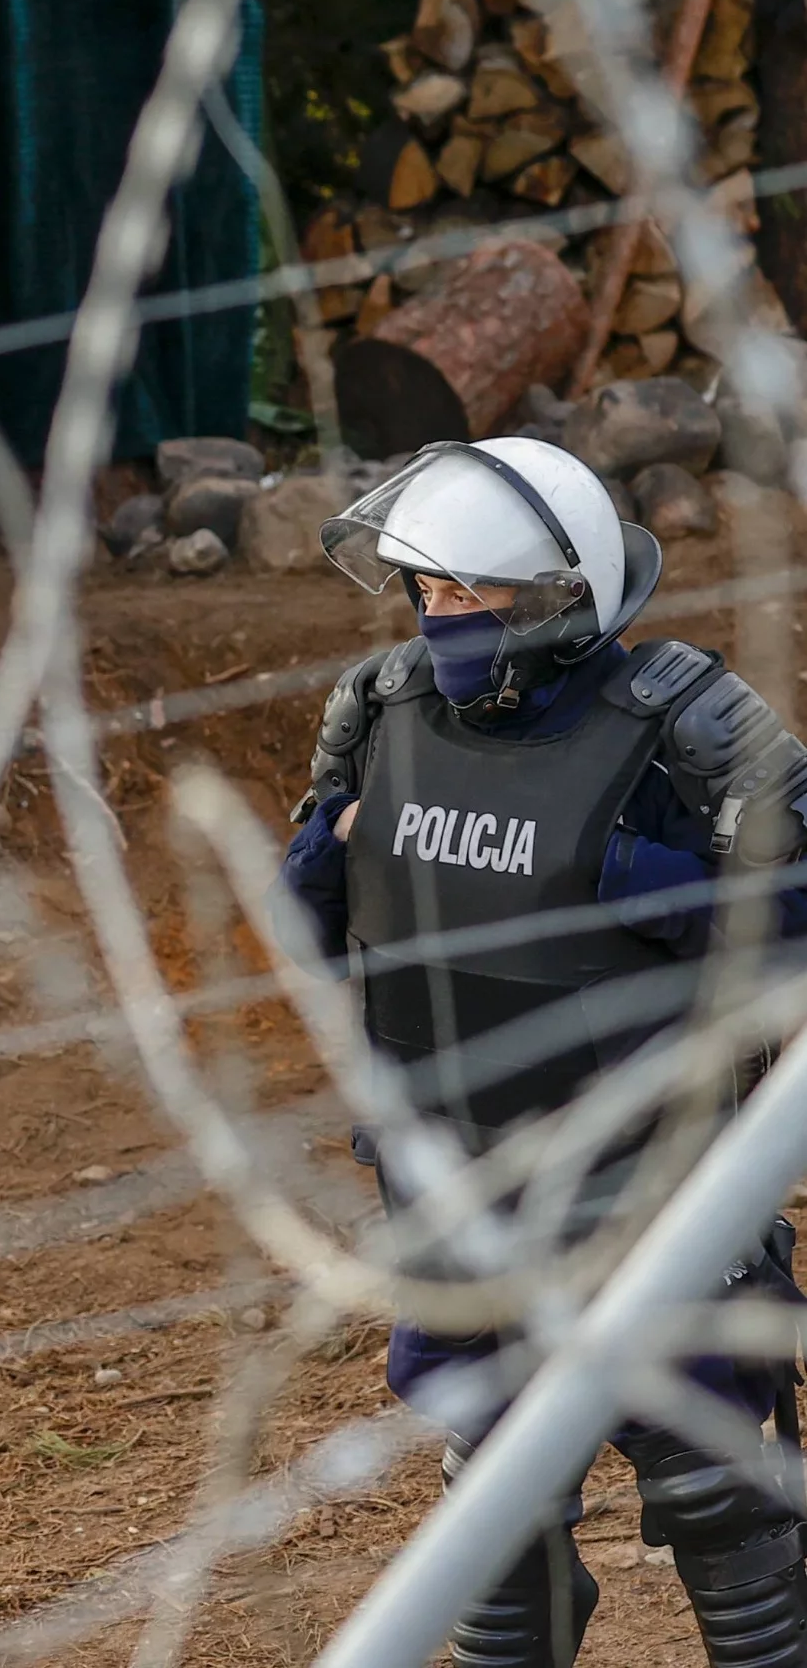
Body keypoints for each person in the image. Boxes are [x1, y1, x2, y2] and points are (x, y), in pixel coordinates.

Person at [280, 436, 807, 1668]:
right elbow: (308, 926)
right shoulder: (377, 708)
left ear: (562, 592)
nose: (438, 616)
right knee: (491, 1509)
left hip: (649, 1184)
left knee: (716, 1493)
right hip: (449, 1178)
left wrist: (627, 879)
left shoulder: (691, 725)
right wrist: (334, 855)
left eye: (472, 592)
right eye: (423, 588)